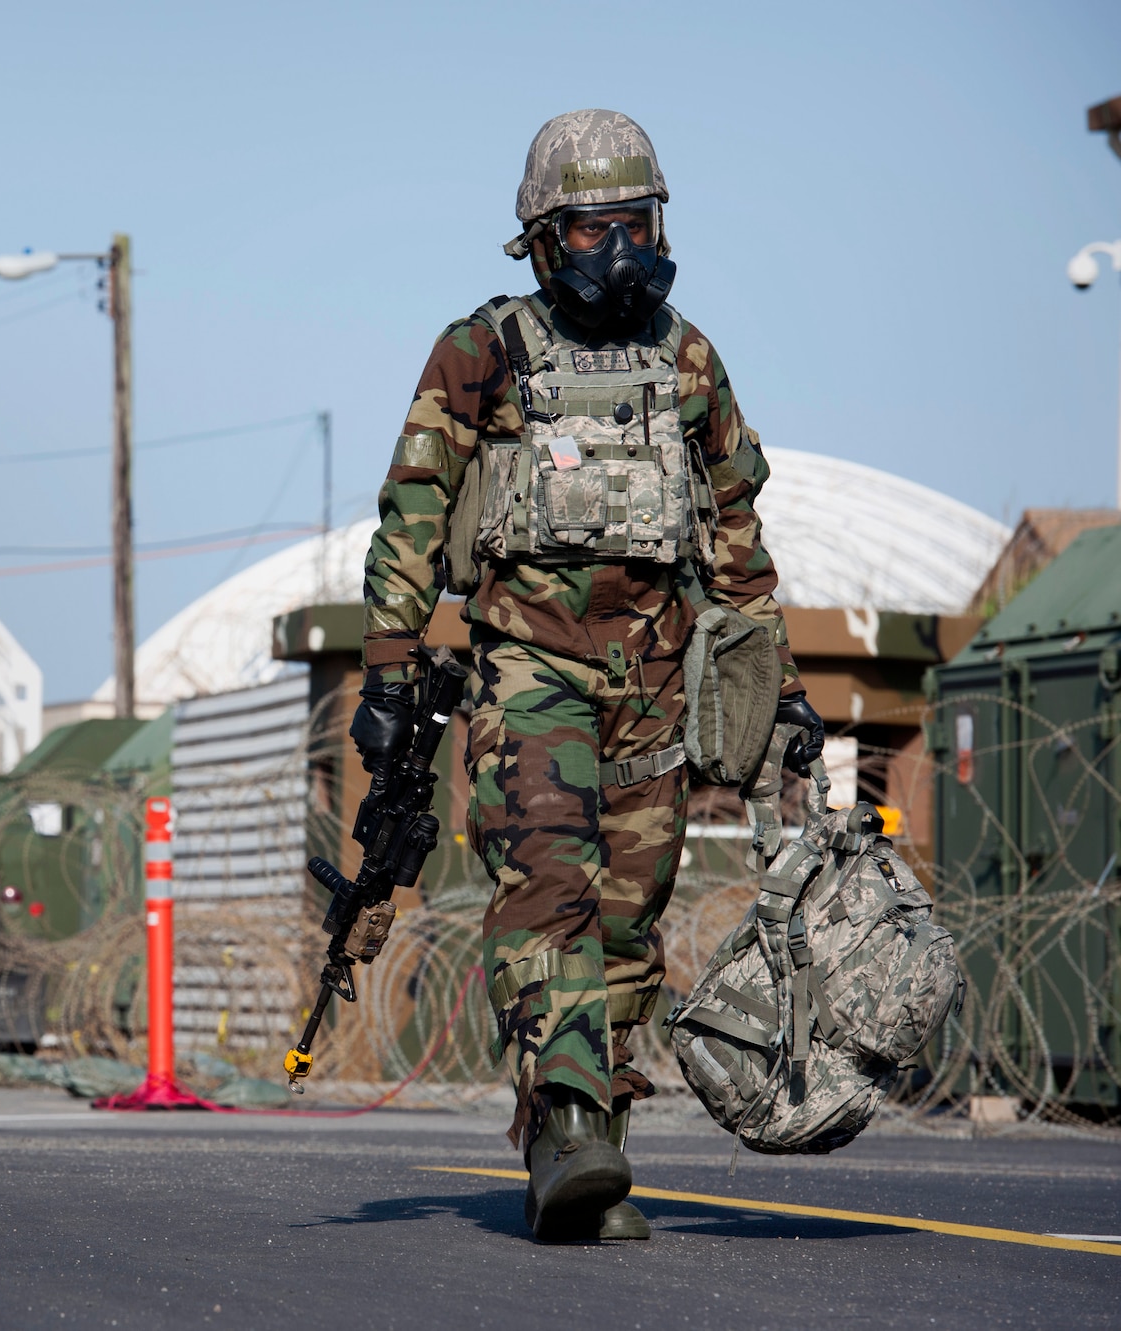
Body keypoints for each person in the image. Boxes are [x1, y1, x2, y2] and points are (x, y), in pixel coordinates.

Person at [355, 109, 823, 1239]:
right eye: (588, 230)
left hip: (657, 677)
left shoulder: (687, 359)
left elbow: (734, 533)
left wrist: (780, 683)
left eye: (635, 223)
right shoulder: (483, 349)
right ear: (538, 239)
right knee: (547, 890)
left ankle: (592, 1138)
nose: (618, 250)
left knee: (627, 917)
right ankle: (563, 1120)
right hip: (528, 668)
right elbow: (414, 505)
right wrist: (387, 658)